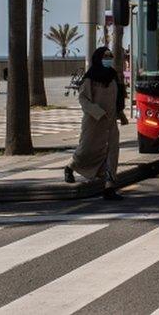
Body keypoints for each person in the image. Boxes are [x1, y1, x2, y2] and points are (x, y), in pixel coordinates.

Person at [64, 47, 129, 201]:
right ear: (98, 58)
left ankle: (109, 188)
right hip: (94, 122)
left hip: (111, 123)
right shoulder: (90, 78)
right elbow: (83, 99)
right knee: (86, 150)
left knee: (112, 153)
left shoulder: (113, 77)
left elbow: (118, 99)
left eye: (110, 56)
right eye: (105, 56)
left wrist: (121, 115)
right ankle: (70, 167)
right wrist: (96, 111)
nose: (108, 59)